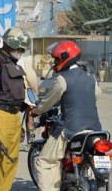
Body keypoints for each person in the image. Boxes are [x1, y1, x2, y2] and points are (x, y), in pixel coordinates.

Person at [31, 40, 102, 191]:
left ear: (65, 57)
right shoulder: (90, 77)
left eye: (57, 59)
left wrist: (37, 111)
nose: (55, 62)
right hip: (94, 129)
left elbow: (48, 101)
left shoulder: (62, 79)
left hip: (71, 128)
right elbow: (96, 94)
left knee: (45, 161)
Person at [0, 27, 31, 191]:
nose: (21, 51)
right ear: (10, 44)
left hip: (14, 116)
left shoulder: (12, 64)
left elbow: (11, 94)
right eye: (19, 47)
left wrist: (27, 107)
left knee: (11, 159)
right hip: (0, 116)